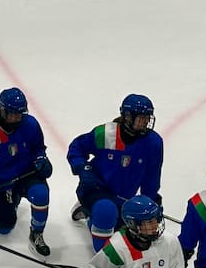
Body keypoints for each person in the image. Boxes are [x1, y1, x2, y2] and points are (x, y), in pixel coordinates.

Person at [66, 94, 164, 252]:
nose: (145, 122)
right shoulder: (106, 133)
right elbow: (76, 148)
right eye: (141, 118)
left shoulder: (153, 143)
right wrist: (83, 169)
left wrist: (151, 200)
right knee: (106, 211)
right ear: (127, 116)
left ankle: (91, 216)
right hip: (95, 189)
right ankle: (104, 261)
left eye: (147, 118)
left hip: (124, 198)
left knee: (129, 233)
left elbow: (151, 177)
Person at [0, 88, 53, 256]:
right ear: (0, 109)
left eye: (19, 114)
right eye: (10, 114)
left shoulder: (31, 124)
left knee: (41, 194)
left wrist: (41, 159)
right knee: (3, 228)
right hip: (0, 183)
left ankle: (37, 233)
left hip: (27, 175)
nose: (14, 118)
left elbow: (38, 149)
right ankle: (12, 199)